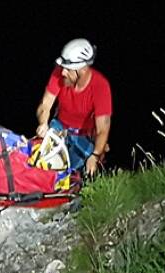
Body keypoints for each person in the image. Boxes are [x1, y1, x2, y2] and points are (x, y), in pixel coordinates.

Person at [34, 38, 112, 176]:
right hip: (59, 127)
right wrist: (43, 123)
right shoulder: (58, 74)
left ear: (82, 70)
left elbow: (102, 129)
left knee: (75, 174)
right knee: (44, 164)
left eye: (68, 69)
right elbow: (45, 105)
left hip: (84, 136)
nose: (62, 72)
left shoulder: (100, 86)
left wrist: (95, 155)